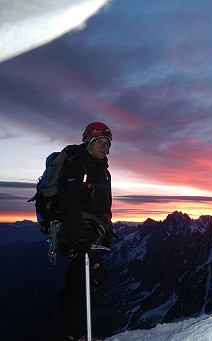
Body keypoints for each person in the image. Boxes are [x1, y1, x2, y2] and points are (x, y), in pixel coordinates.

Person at [54, 122, 114, 340]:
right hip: (74, 235)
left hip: (88, 235)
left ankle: (67, 334)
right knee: (93, 281)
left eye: (106, 143)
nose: (103, 146)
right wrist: (78, 238)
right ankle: (77, 335)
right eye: (98, 141)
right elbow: (69, 205)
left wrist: (106, 231)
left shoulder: (101, 171)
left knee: (78, 285)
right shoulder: (77, 167)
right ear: (88, 142)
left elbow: (104, 207)